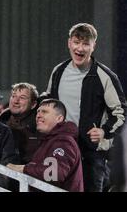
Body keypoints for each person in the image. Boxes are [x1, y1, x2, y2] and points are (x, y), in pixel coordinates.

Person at [44, 23, 126, 191]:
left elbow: (121, 113)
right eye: (76, 42)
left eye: (85, 44)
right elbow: (49, 102)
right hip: (60, 148)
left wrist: (104, 131)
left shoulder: (106, 76)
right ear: (69, 43)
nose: (80, 48)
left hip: (91, 155)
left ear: (93, 46)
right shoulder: (58, 71)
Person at [8, 99, 84, 192]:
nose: (38, 115)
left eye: (44, 112)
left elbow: (54, 174)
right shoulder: (50, 140)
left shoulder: (63, 141)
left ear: (59, 119)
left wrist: (23, 168)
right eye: (38, 112)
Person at [0, 82, 41, 164]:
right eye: (14, 96)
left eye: (22, 97)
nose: (16, 101)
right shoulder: (0, 122)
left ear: (33, 104)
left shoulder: (40, 127)